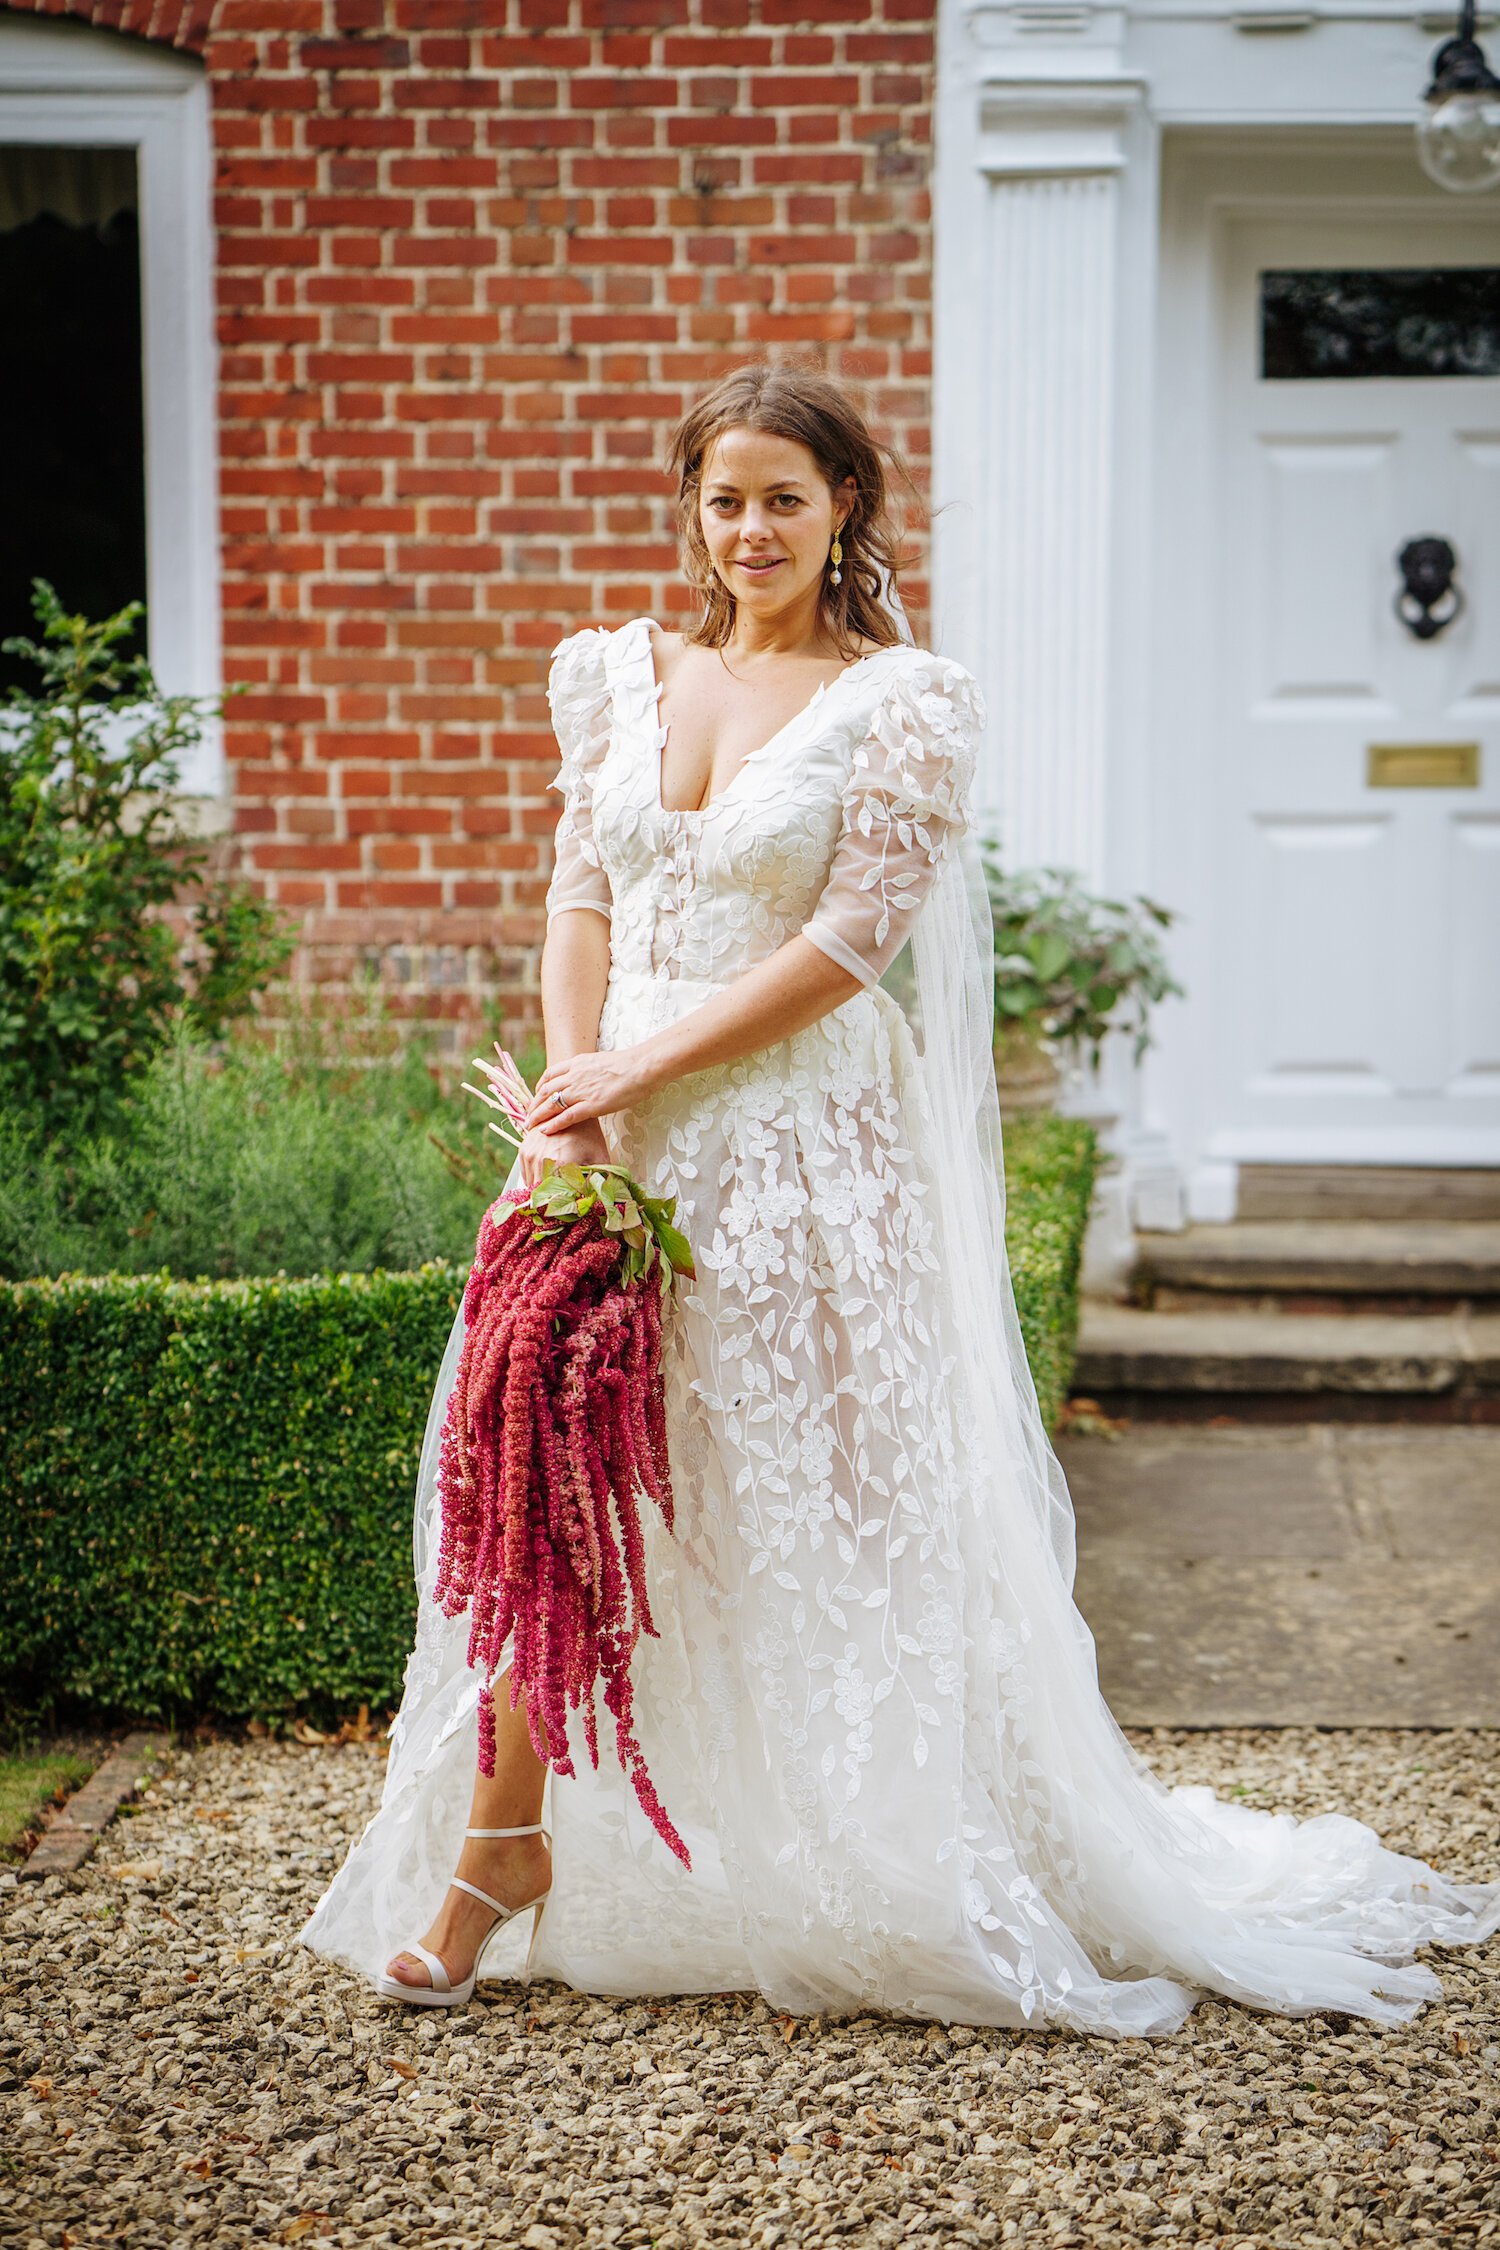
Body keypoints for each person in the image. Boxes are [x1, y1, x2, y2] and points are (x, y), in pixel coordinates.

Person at [299, 364, 1500, 2030]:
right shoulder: (613, 678)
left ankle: (864, 1852)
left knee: (807, 1496)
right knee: (543, 1483)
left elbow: (846, 946)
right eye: (725, 497)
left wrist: (644, 1072)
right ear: (692, 507)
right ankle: (499, 1843)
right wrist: (579, 1100)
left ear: (844, 506)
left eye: (787, 496)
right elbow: (579, 900)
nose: (752, 528)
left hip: (796, 1151)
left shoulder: (902, 700)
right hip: (600, 1144)